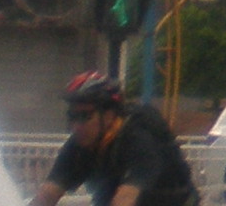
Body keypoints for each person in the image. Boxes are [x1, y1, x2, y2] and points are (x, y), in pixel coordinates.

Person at [34, 73, 196, 206]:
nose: (76, 126)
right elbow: (46, 195)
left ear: (109, 114)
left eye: (85, 116)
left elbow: (125, 199)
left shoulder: (139, 139)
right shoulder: (79, 144)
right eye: (72, 116)